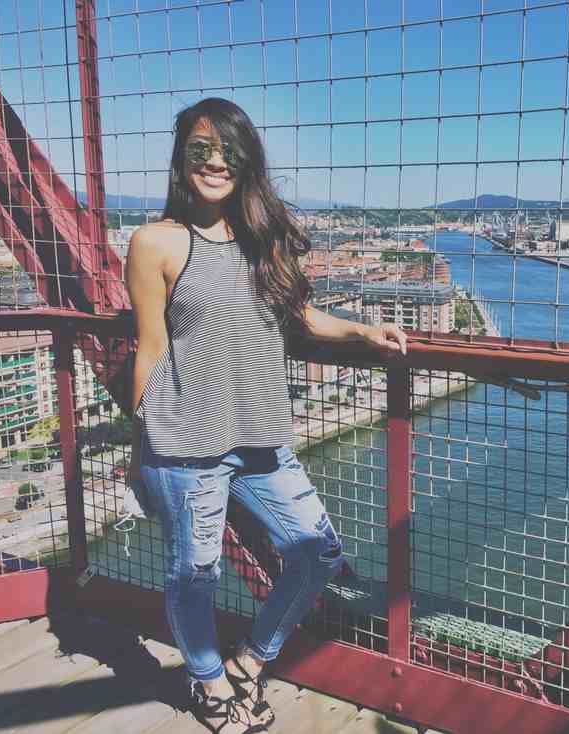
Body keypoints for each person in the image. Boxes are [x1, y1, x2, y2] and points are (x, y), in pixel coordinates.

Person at [126, 97, 407, 733]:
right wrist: (141, 447)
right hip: (184, 440)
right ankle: (209, 685)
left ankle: (251, 660)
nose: (214, 162)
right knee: (195, 572)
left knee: (317, 553)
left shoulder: (262, 241)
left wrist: (363, 331)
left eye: (227, 150)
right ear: (181, 159)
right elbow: (150, 347)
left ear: (246, 159)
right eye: (200, 149)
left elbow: (297, 315)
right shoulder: (156, 242)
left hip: (261, 435)